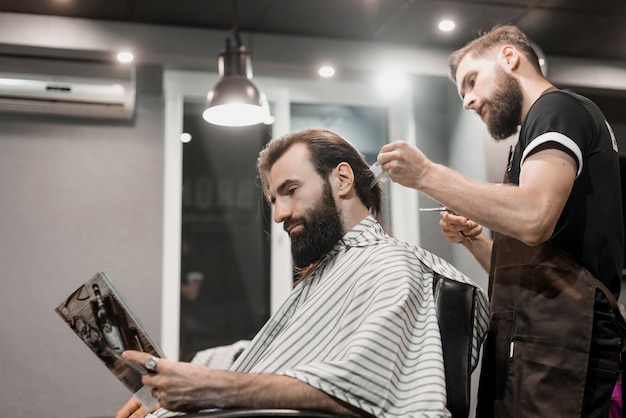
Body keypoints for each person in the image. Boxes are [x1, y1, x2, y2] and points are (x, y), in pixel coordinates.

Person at [116, 127, 489, 418]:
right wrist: (174, 382)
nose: (279, 214)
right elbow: (285, 357)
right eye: (274, 200)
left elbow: (367, 383)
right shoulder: (327, 273)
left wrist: (212, 388)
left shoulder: (391, 264)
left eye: (290, 190)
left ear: (342, 180)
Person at [376, 24, 624, 418]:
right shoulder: (530, 137)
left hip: (565, 349)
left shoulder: (556, 109)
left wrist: (426, 175)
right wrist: (475, 242)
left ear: (509, 57)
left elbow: (532, 216)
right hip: (535, 343)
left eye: (472, 81)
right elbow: (536, 271)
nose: (468, 102)